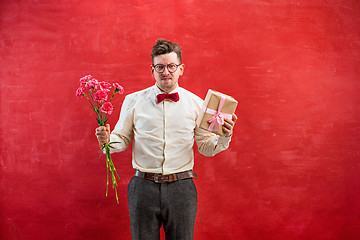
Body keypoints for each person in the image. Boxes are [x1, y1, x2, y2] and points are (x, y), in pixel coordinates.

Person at [95, 39, 237, 240]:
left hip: (182, 188)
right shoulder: (133, 101)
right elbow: (123, 138)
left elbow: (205, 147)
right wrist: (108, 141)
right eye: (160, 67)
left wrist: (225, 136)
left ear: (181, 69)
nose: (166, 72)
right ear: (152, 70)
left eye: (171, 66)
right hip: (142, 187)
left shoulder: (197, 104)